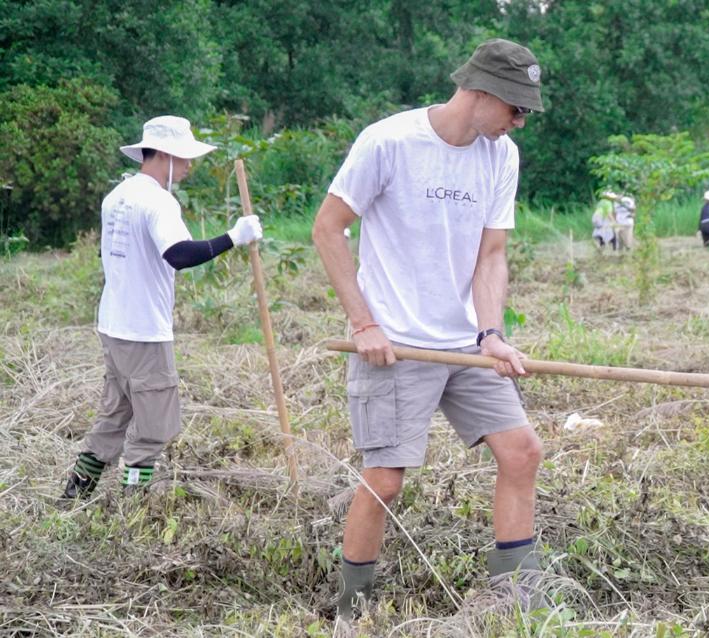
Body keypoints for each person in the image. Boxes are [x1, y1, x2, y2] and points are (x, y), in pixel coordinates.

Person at [310, 38, 546, 621]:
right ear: (482, 92)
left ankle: (518, 599)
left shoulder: (501, 155)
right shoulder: (389, 141)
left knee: (522, 453)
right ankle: (351, 612)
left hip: (465, 344)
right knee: (385, 480)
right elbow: (328, 227)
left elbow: (491, 254)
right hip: (396, 345)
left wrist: (491, 333)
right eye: (516, 108)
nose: (520, 120)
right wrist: (364, 323)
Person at [59, 116, 263, 502]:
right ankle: (133, 511)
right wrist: (235, 236)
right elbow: (179, 256)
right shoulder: (158, 200)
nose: (189, 165)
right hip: (143, 332)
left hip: (114, 325)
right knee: (154, 424)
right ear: (165, 156)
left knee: (115, 413)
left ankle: (74, 495)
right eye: (185, 158)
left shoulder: (117, 196)